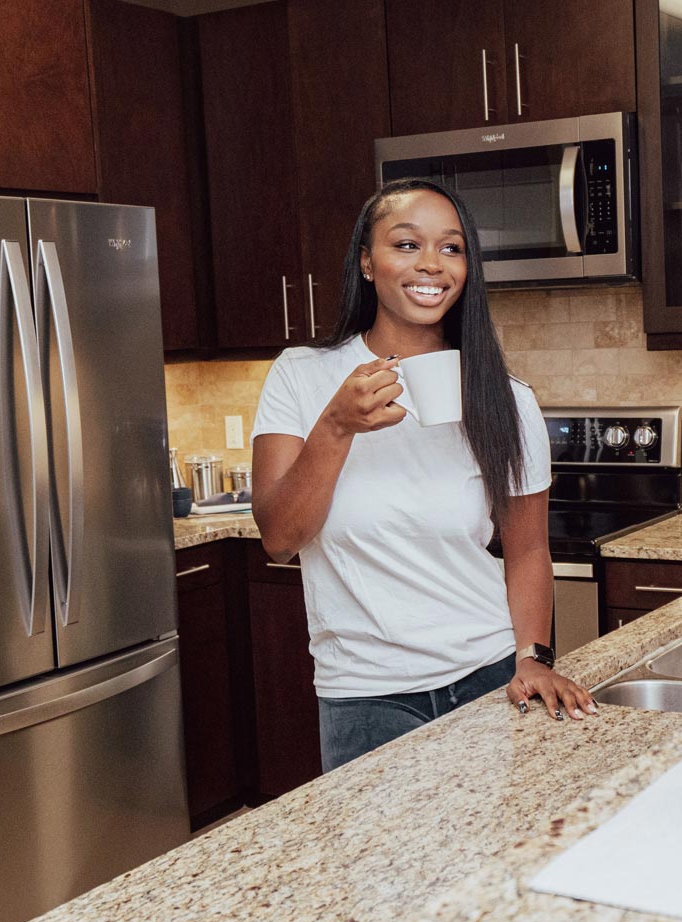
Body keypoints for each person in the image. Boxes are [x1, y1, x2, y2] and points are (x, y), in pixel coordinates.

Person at [250, 178, 597, 771]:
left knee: (492, 859)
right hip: (364, 694)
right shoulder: (302, 377)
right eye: (406, 244)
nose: (432, 265)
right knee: (384, 866)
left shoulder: (507, 400)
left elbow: (528, 548)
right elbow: (280, 538)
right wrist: (335, 427)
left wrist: (532, 656)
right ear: (367, 262)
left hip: (488, 678)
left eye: (452, 248)